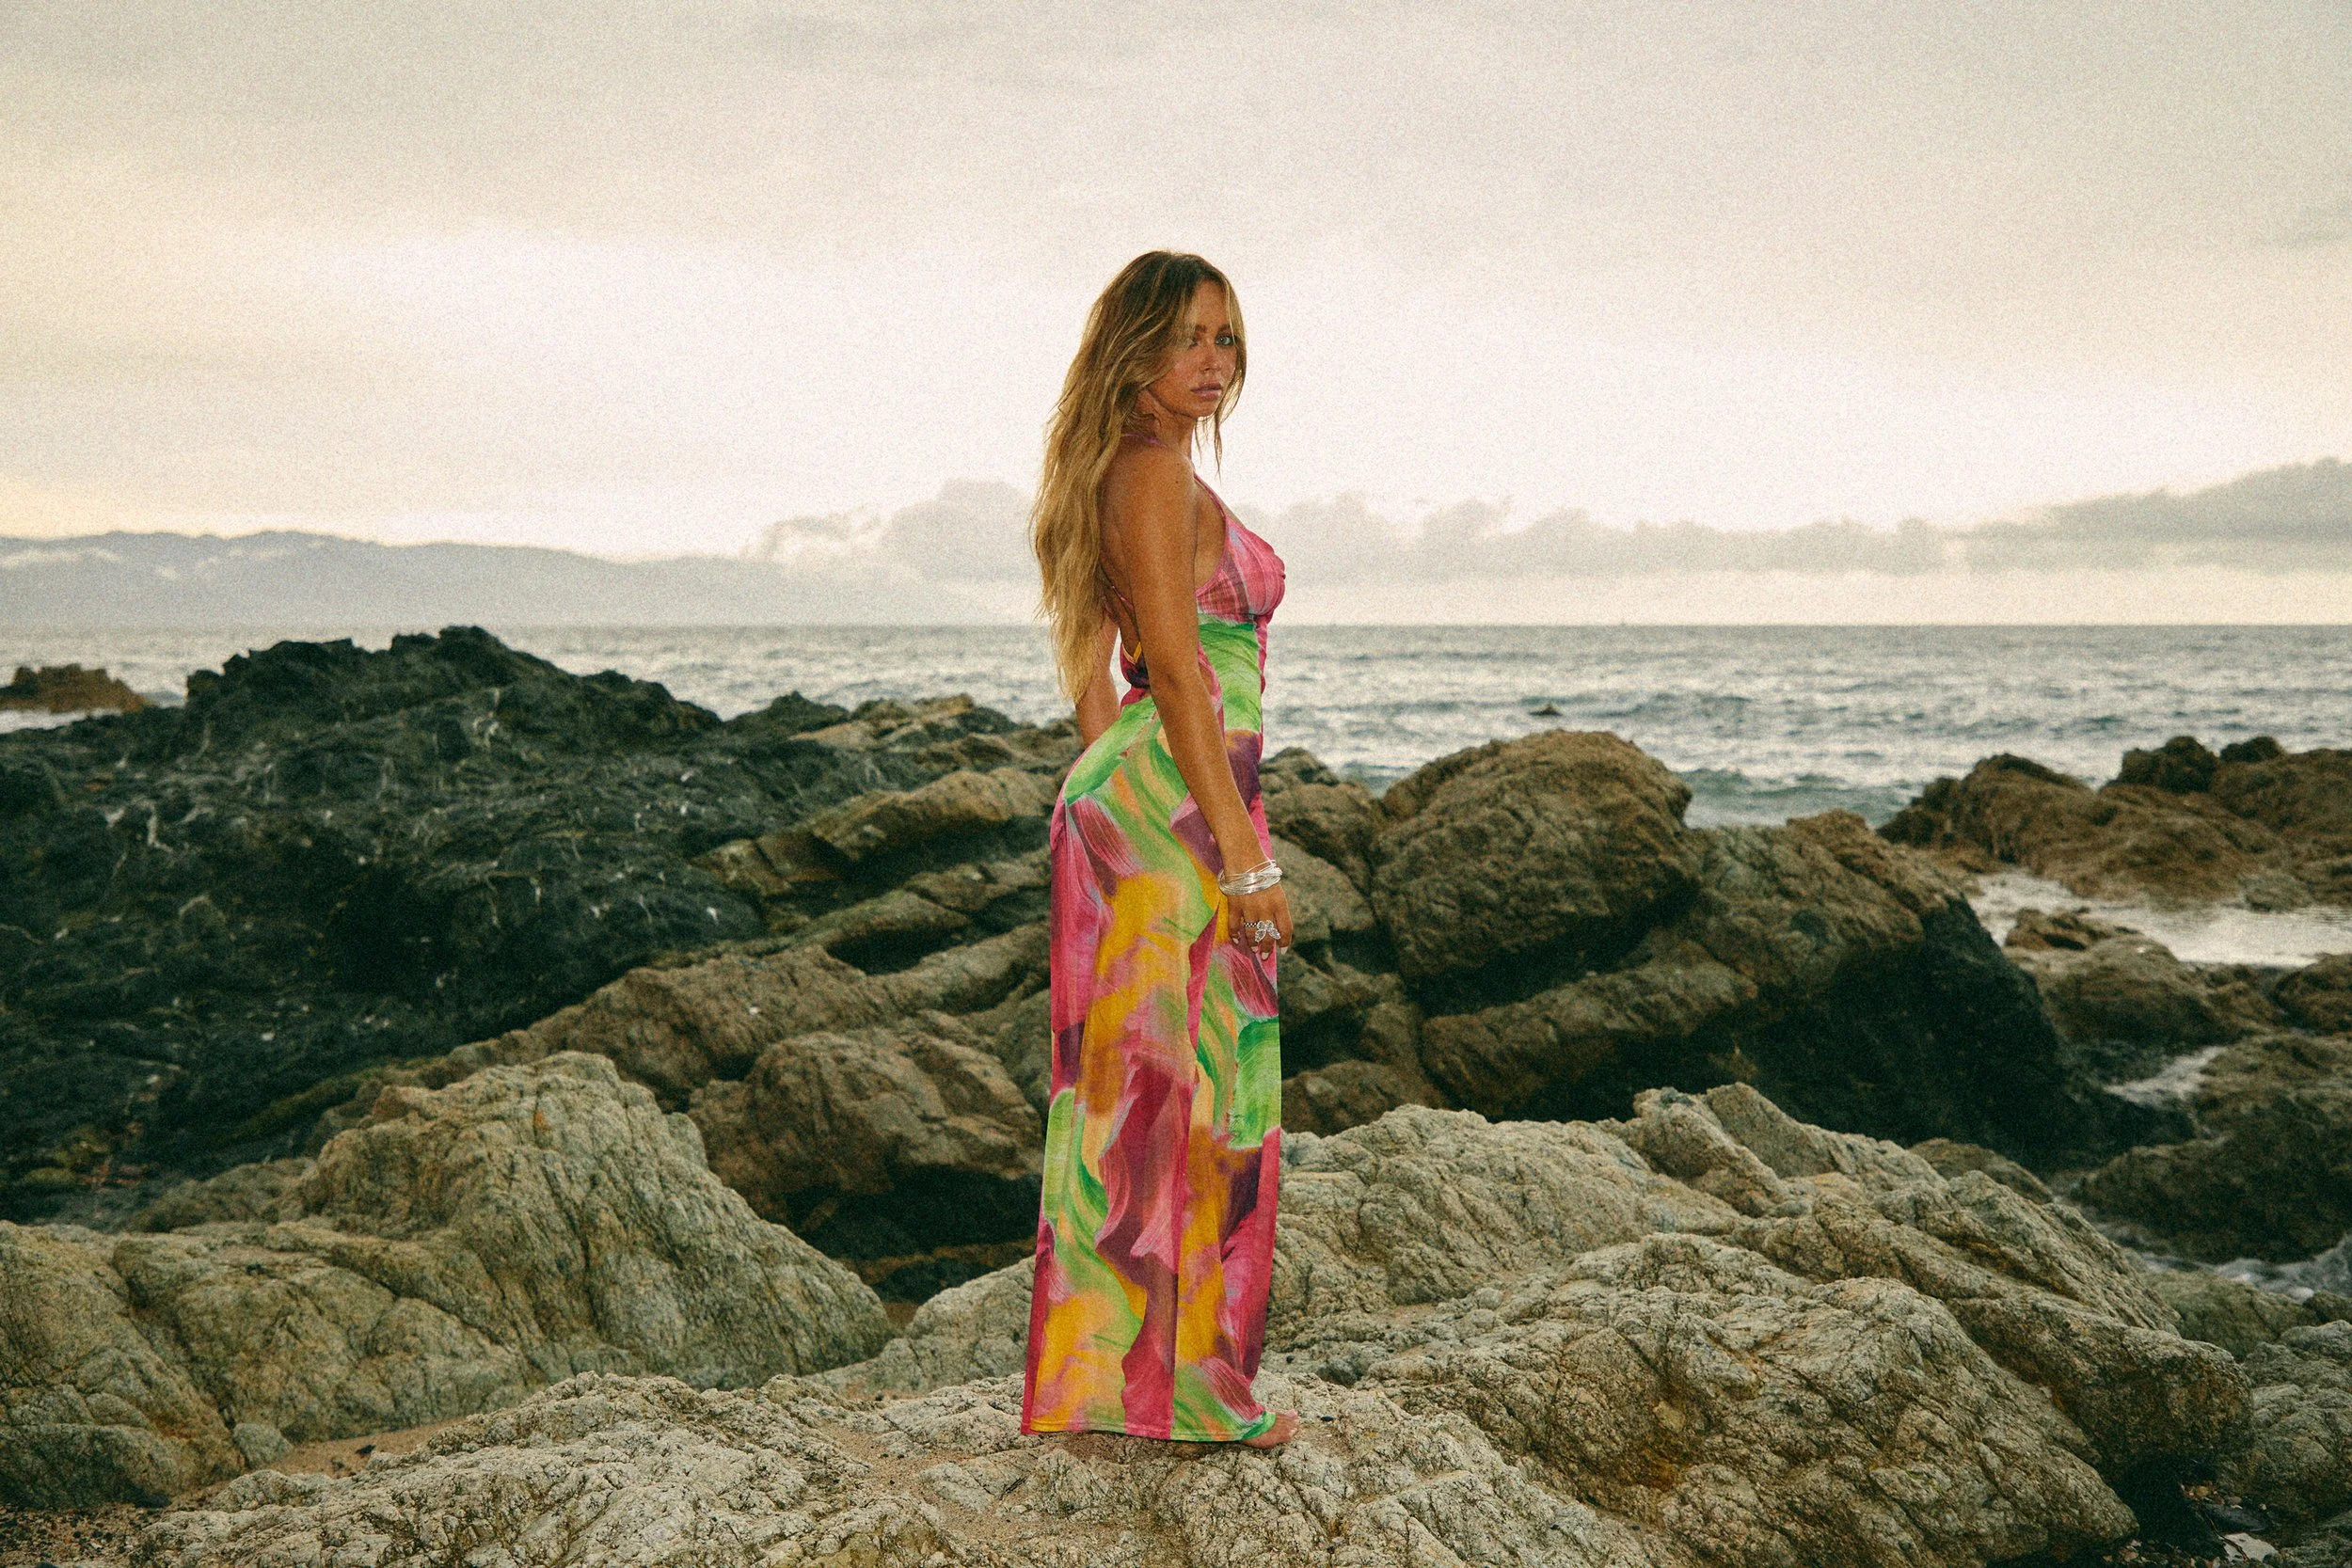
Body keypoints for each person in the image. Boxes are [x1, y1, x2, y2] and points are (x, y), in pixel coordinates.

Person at [1019, 251, 1299, 1448]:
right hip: (1178, 802)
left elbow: (1098, 662)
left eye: (1226, 339)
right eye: (1189, 335)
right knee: (1198, 1096)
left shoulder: (1125, 471)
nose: (1212, 361)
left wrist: (1112, 777)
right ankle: (1184, 1393)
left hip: (1146, 793)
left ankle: (1118, 1388)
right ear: (1134, 345)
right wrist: (1239, 854)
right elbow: (1177, 670)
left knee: (1135, 1096)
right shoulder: (1149, 473)